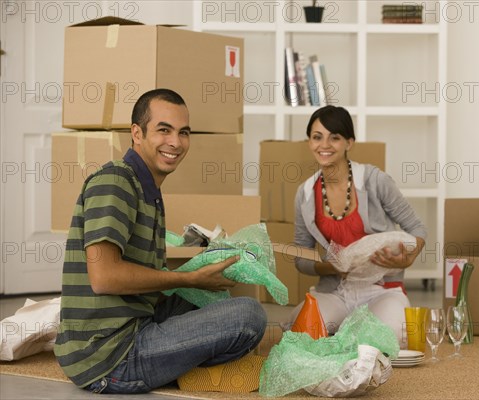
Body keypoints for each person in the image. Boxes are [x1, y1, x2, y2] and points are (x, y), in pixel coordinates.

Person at [54, 89, 267, 394]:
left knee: (211, 299)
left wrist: (201, 276)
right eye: (163, 130)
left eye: (183, 132)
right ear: (137, 134)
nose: (175, 142)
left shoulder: (148, 190)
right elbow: (104, 278)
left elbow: (147, 288)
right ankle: (180, 371)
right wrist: (189, 278)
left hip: (136, 323)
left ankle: (180, 364)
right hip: (110, 356)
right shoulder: (115, 181)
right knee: (249, 316)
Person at [287, 105, 427, 346]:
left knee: (393, 337)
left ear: (349, 142)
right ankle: (350, 329)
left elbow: (417, 230)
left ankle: (353, 331)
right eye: (317, 137)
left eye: (335, 137)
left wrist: (407, 259)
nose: (325, 145)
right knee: (300, 333)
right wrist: (331, 267)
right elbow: (301, 258)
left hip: (381, 289)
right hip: (336, 291)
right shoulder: (305, 194)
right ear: (309, 141)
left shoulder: (375, 181)